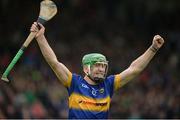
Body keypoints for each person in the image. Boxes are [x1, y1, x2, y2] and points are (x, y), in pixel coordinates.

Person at [30, 22, 165, 119]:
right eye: (97, 65)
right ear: (86, 68)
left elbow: (134, 69)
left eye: (103, 66)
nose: (101, 69)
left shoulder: (109, 84)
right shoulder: (74, 83)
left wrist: (153, 49)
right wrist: (41, 37)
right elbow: (54, 62)